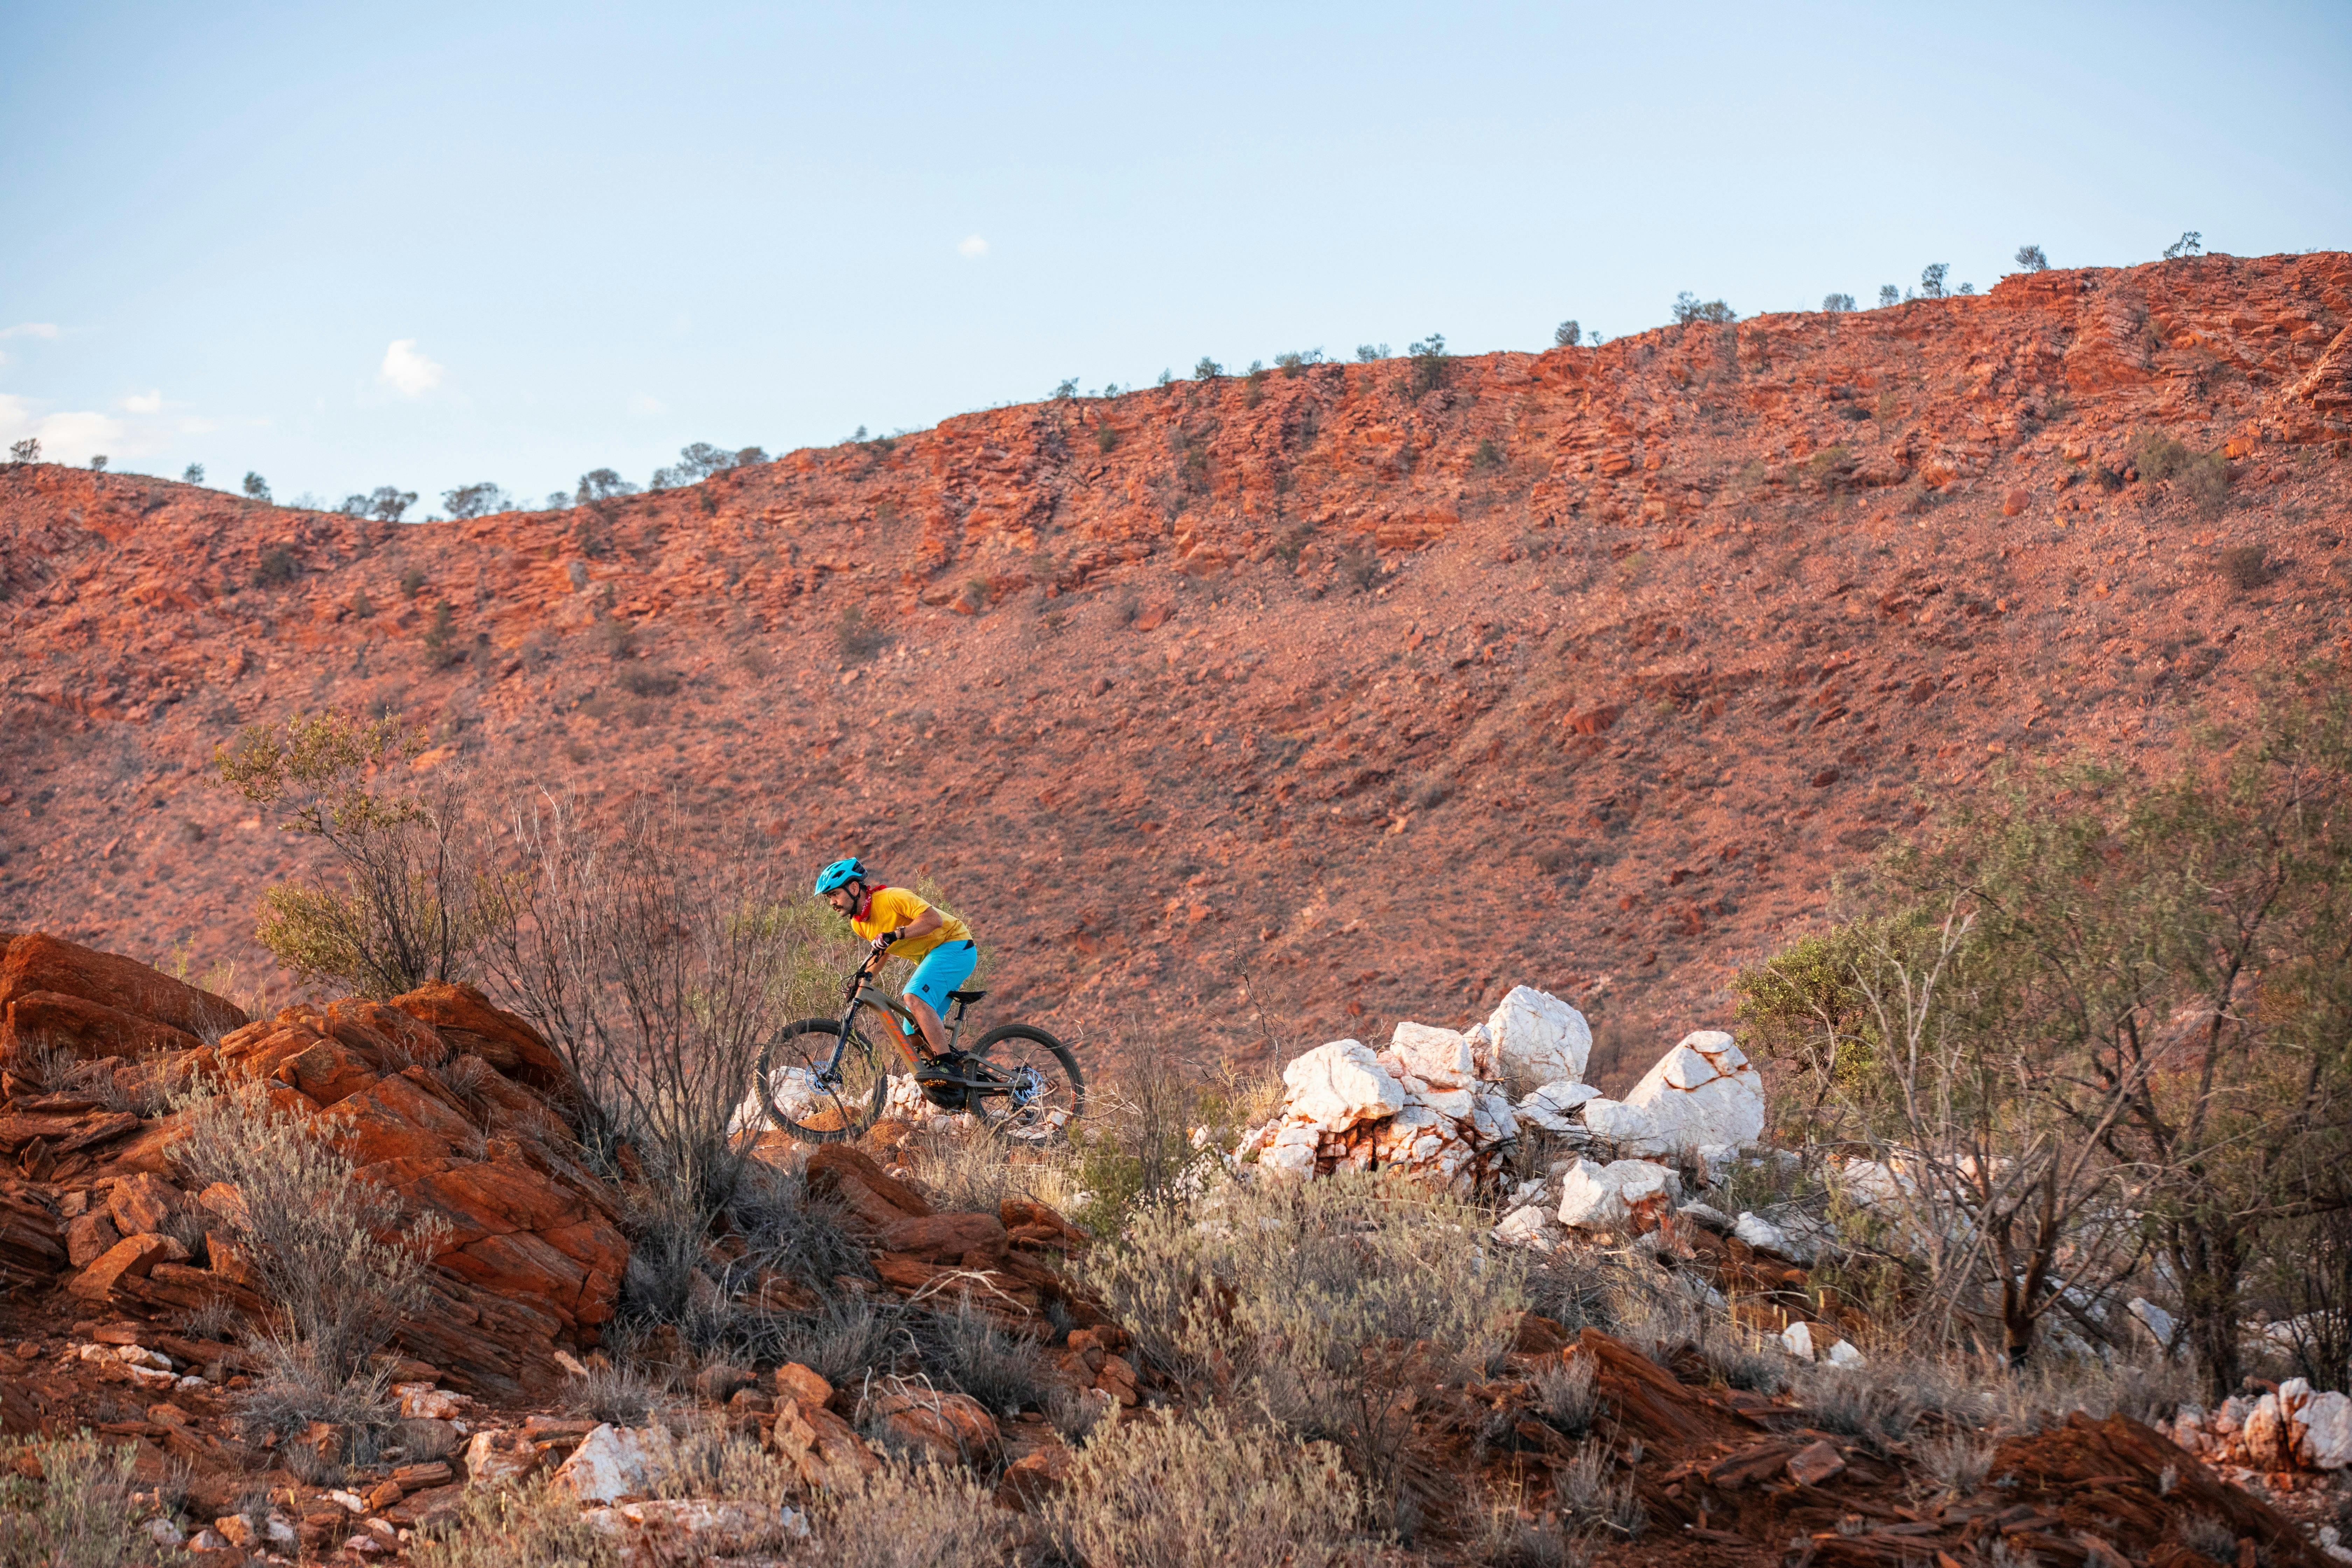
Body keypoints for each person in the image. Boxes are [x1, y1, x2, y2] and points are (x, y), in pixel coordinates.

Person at [812, 856, 977, 1068]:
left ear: (854, 888)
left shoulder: (892, 898)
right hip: (934, 958)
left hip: (956, 946)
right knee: (912, 1032)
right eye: (829, 897)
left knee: (913, 997)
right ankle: (957, 1078)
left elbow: (933, 921)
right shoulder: (859, 925)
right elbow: (883, 953)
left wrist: (896, 934)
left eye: (835, 895)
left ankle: (946, 1065)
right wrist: (862, 981)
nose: (832, 903)